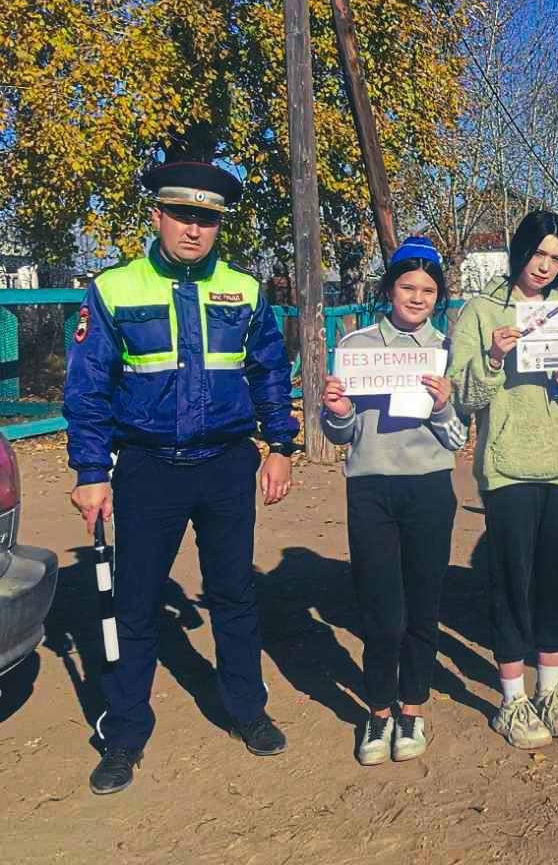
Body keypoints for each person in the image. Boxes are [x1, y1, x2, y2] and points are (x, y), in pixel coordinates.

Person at [64, 160, 298, 796]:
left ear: (219, 225)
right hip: (146, 469)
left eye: (208, 219)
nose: (195, 230)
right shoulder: (114, 288)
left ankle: (247, 709)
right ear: (158, 215)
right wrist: (91, 470)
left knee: (233, 594)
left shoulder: (246, 290)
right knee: (134, 604)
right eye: (184, 215)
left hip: (226, 465)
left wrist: (280, 445)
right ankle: (125, 733)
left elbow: (269, 372)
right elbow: (88, 389)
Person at [449, 210, 558, 750]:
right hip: (507, 464)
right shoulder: (480, 312)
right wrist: (492, 356)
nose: (546, 266)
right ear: (520, 251)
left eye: (556, 259)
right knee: (511, 582)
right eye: (539, 254)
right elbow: (462, 396)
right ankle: (511, 699)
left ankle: (549, 691)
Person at [322, 235, 467, 765]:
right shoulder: (357, 347)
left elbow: (456, 441)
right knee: (381, 612)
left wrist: (444, 406)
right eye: (408, 286)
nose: (417, 297)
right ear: (390, 289)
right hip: (371, 489)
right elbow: (340, 434)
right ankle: (378, 710)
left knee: (423, 608)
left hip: (429, 488)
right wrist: (337, 410)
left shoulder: (446, 351)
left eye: (428, 290)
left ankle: (413, 708)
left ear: (438, 297)